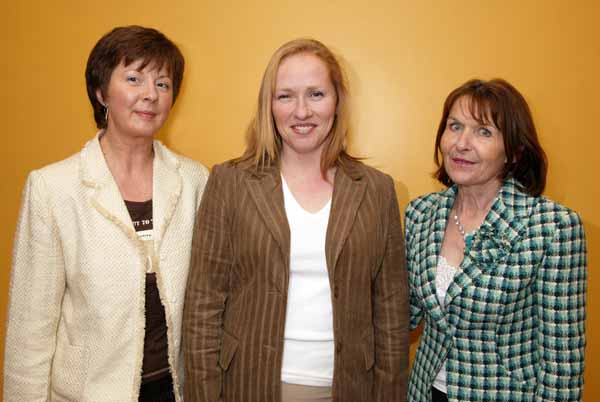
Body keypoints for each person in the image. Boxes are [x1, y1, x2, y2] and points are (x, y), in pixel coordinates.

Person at [183, 38, 409, 402]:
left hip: (350, 389)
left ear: (337, 101)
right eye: (285, 96)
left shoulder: (376, 190)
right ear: (268, 105)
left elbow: (391, 312)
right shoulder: (230, 182)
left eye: (316, 94)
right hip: (248, 386)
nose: (301, 111)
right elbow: (204, 305)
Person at [3, 25, 209, 402]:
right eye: (134, 79)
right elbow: (29, 331)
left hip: (176, 391)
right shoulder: (54, 188)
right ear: (101, 93)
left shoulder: (195, 180)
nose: (150, 95)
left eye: (162, 84)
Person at [405, 78, 587, 402]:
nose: (462, 143)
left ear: (514, 152)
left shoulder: (552, 227)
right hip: (424, 391)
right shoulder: (420, 213)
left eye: (483, 132)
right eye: (455, 126)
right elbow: (404, 314)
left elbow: (563, 363)